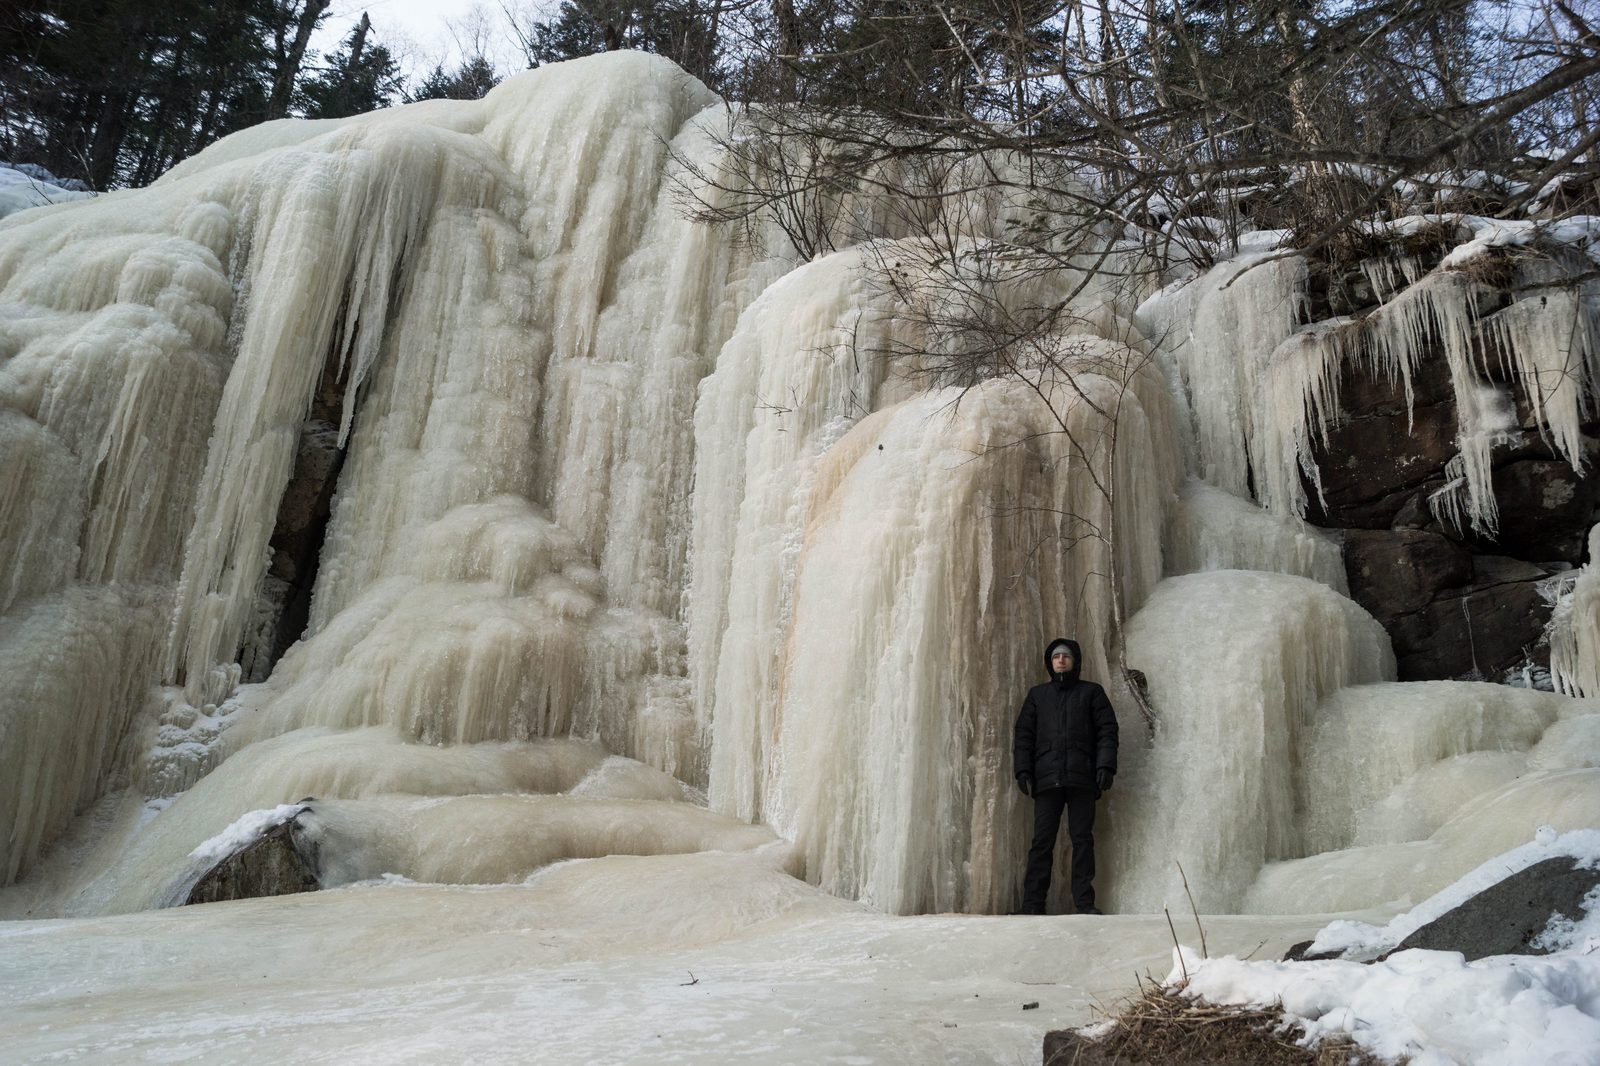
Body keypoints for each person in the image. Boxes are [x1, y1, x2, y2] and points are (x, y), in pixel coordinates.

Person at [1012, 637, 1118, 915]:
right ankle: (1033, 904)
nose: (1061, 660)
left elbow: (1107, 731)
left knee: (1082, 839)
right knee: (1042, 842)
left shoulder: (1091, 693)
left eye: (1066, 656)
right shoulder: (1038, 696)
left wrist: (1105, 766)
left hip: (1082, 779)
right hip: (1047, 780)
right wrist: (1023, 770)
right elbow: (1024, 735)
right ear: (1050, 662)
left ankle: (1084, 904)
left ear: (1075, 661)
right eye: (1056, 656)